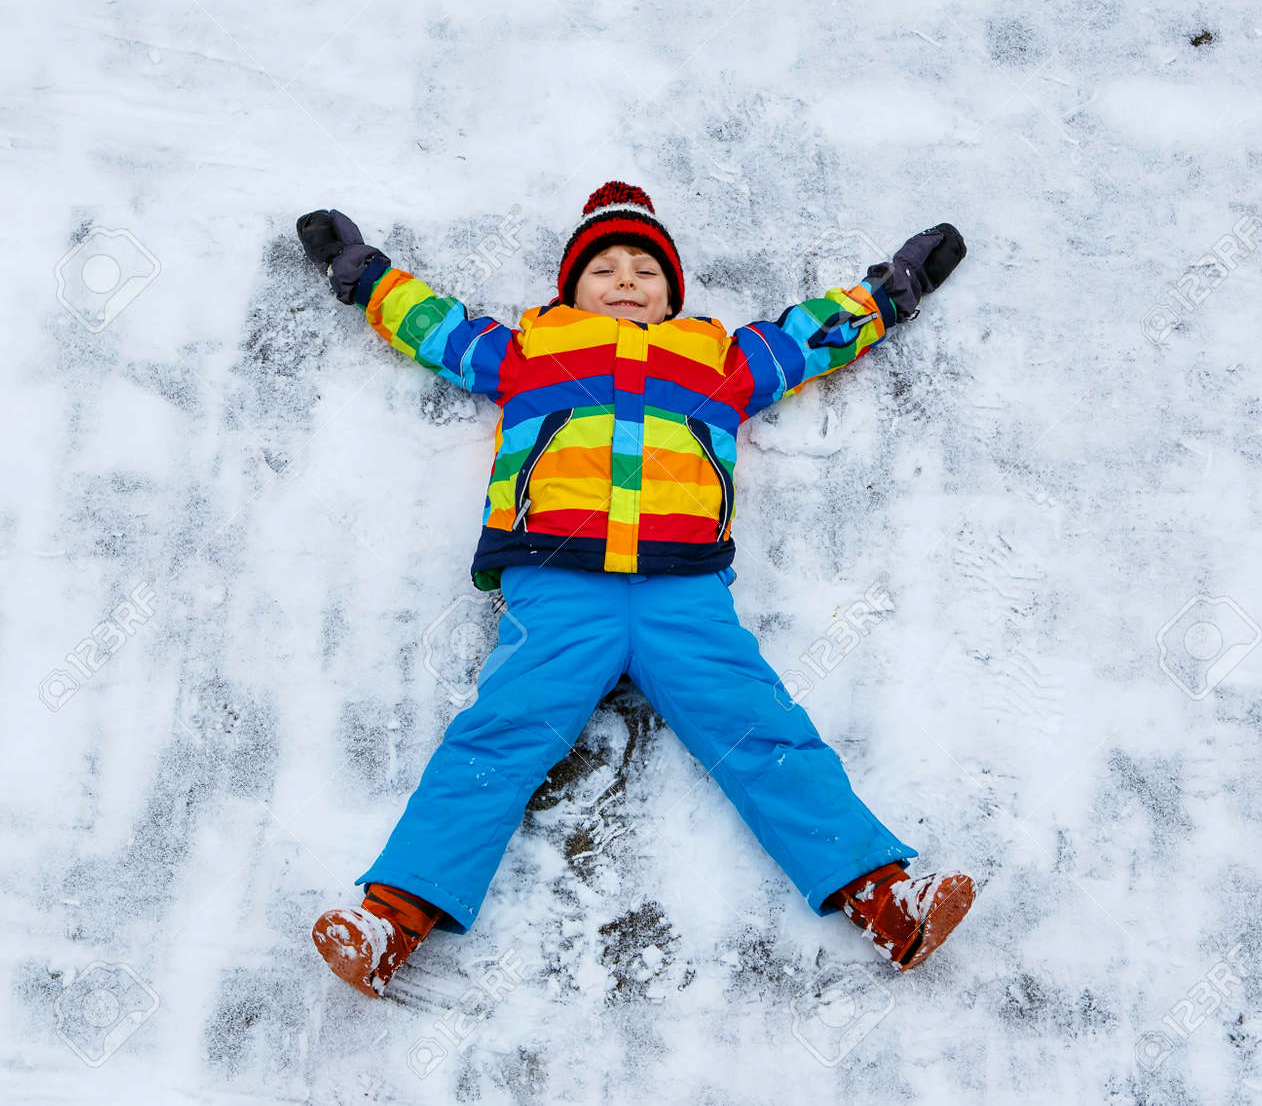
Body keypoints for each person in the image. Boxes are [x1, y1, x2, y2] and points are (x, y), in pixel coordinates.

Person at [298, 181, 974, 998]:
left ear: (671, 291)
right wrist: (365, 274)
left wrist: (894, 289)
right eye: (605, 269)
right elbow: (435, 326)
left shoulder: (720, 360)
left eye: (645, 270)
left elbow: (813, 335)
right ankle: (391, 921)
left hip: (681, 591)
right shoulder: (529, 350)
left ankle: (886, 901)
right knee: (500, 736)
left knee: (762, 731)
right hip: (559, 581)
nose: (626, 280)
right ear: (570, 289)